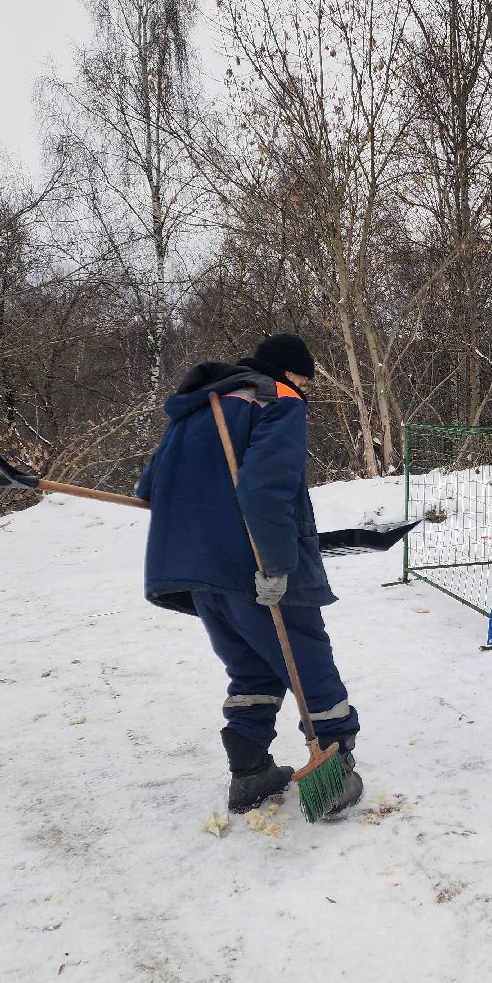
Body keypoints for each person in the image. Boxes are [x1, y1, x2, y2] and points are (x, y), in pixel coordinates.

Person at [136, 333, 362, 815]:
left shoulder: (198, 406)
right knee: (307, 659)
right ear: (290, 372)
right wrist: (276, 564)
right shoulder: (279, 401)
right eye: (305, 378)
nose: (306, 387)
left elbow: (149, 486)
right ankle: (335, 766)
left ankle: (250, 771)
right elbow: (264, 488)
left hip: (196, 569)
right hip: (252, 562)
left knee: (251, 667)